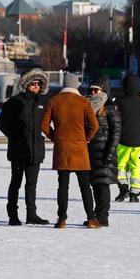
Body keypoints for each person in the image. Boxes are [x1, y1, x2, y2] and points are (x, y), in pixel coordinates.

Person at [41, 73, 100, 229]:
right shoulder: (83, 102)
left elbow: (44, 126)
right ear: (76, 85)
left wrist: (55, 137)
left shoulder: (53, 101)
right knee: (85, 186)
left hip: (62, 149)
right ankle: (92, 219)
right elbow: (94, 125)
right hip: (80, 149)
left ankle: (61, 219)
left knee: (63, 185)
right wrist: (86, 138)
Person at [0, 69, 50, 226]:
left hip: (36, 150)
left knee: (31, 184)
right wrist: (16, 137)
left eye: (38, 84)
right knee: (16, 183)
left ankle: (31, 214)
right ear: (26, 84)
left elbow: (47, 123)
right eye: (33, 83)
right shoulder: (14, 102)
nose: (36, 86)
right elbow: (3, 124)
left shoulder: (43, 102)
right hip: (19, 150)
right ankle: (13, 215)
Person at [86, 76, 121, 227]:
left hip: (104, 153)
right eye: (91, 89)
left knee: (102, 185)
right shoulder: (86, 106)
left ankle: (102, 217)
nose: (93, 92)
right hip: (90, 152)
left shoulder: (110, 108)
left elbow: (116, 132)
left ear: (104, 91)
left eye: (96, 90)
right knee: (95, 184)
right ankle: (97, 215)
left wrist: (109, 153)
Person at [115, 75, 140, 203]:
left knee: (120, 167)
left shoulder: (119, 102)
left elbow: (115, 122)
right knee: (137, 167)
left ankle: (123, 188)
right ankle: (134, 193)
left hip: (122, 141)